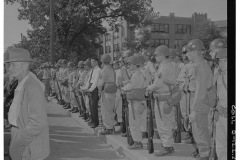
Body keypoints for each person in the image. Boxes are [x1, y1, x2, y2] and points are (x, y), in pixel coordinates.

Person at [5, 48, 50, 160]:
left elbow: (38, 123)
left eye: (13, 65)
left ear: (25, 65)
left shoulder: (32, 87)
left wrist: (19, 141)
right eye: (8, 65)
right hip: (20, 136)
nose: (9, 68)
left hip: (28, 144)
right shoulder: (22, 82)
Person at [147, 45, 179, 156]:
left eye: (156, 55)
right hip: (166, 97)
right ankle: (168, 144)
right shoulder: (167, 65)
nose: (155, 57)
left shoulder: (164, 66)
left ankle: (167, 147)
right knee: (166, 122)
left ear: (161, 55)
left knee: (163, 123)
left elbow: (159, 84)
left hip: (163, 98)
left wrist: (149, 88)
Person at [186, 39, 213, 160]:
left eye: (189, 52)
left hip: (200, 103)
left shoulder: (201, 67)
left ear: (196, 52)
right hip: (197, 100)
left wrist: (194, 110)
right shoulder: (197, 66)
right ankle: (203, 154)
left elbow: (201, 90)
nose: (187, 55)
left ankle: (205, 155)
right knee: (197, 131)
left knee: (201, 131)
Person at [122, 55, 146, 150]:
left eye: (131, 64)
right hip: (136, 101)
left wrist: (123, 88)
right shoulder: (137, 74)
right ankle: (137, 141)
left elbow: (131, 86)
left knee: (134, 122)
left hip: (135, 102)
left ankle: (137, 142)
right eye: (128, 64)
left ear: (136, 65)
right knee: (135, 122)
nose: (129, 66)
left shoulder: (136, 74)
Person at [210, 39, 227, 160]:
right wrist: (217, 107)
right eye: (220, 61)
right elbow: (216, 92)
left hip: (228, 111)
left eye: (225, 61)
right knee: (220, 144)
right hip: (220, 111)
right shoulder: (219, 73)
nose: (222, 63)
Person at [98, 54, 117, 134]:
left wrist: (99, 90)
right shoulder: (112, 70)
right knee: (111, 109)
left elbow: (101, 82)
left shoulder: (104, 70)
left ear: (103, 61)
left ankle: (108, 128)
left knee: (105, 110)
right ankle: (111, 126)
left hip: (106, 91)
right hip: (113, 90)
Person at [85, 57, 101, 128]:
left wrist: (90, 89)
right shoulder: (92, 70)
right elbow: (89, 80)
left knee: (94, 106)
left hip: (94, 89)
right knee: (91, 105)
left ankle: (96, 122)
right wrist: (86, 88)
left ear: (97, 62)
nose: (91, 63)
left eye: (93, 61)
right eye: (91, 62)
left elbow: (95, 81)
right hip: (91, 88)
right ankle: (93, 120)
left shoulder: (98, 70)